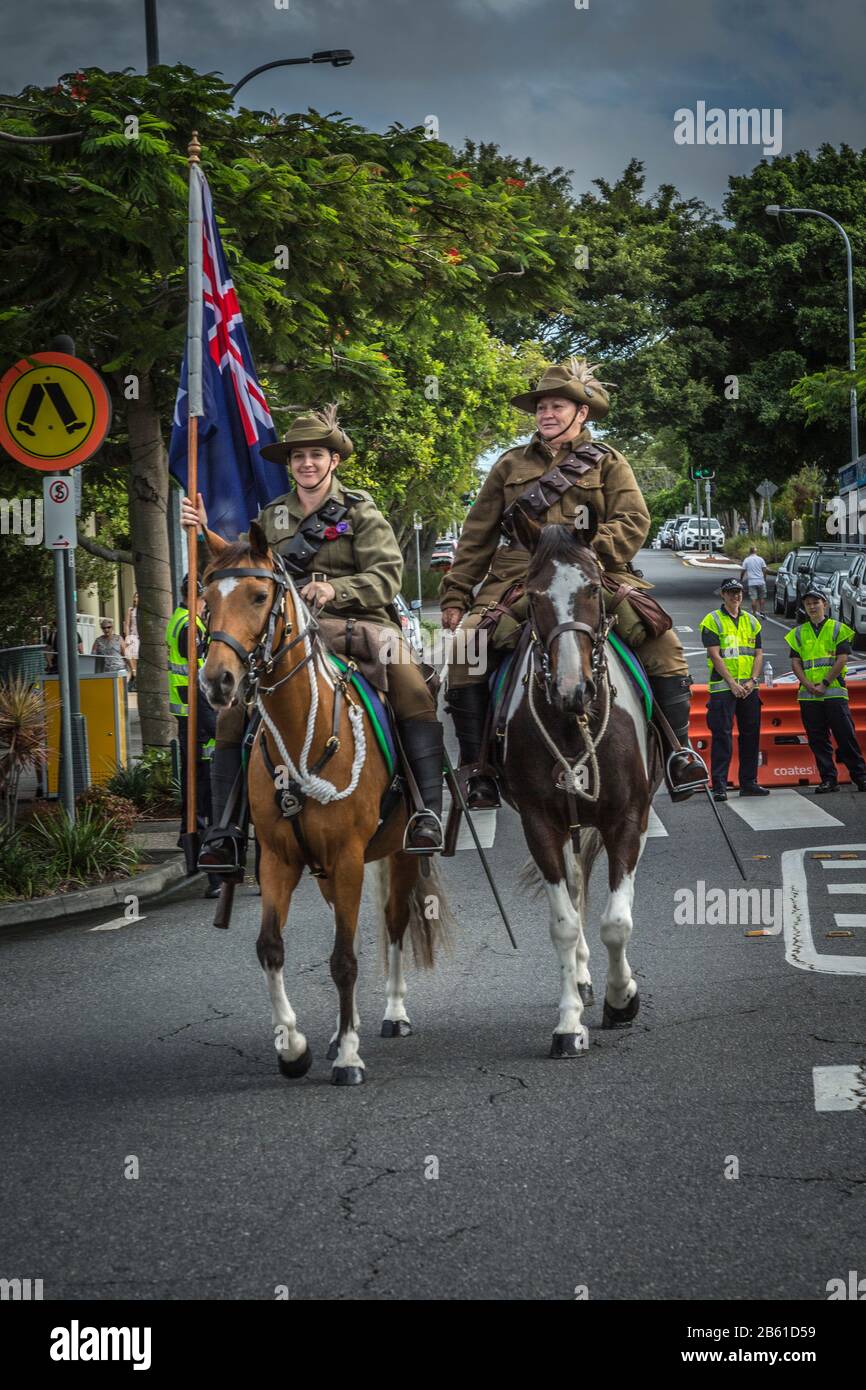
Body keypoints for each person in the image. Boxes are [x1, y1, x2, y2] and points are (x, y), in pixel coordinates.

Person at [439, 357, 708, 807]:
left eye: (557, 406)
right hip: (518, 579)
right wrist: (455, 595)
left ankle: (680, 753)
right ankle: (479, 767)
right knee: (469, 648)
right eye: (541, 406)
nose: (546, 414)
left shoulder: (608, 462)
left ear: (581, 413)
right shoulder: (508, 466)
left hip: (594, 572)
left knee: (664, 644)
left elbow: (633, 519)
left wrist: (586, 554)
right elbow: (476, 536)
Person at [181, 406, 445, 863]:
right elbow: (244, 570)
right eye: (299, 456)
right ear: (290, 464)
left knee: (410, 684)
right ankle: (225, 830)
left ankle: (426, 811)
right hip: (288, 635)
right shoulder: (271, 516)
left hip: (360, 624)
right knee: (231, 714)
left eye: (316, 455)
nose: (307, 463)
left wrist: (335, 586)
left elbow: (387, 577)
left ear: (334, 461)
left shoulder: (361, 512)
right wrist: (201, 530)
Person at [165, 574, 222, 898]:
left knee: (197, 797)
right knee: (203, 799)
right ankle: (208, 870)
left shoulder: (181, 620)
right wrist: (216, 724)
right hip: (197, 720)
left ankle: (195, 855)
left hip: (192, 718)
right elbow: (198, 677)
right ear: (196, 596)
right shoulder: (190, 626)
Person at [784, 586, 866, 794]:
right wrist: (807, 684)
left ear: (825, 604)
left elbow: (842, 659)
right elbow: (795, 662)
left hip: (833, 692)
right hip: (809, 695)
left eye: (816, 602)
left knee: (845, 737)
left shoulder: (838, 628)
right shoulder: (798, 633)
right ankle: (829, 779)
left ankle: (860, 777)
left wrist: (825, 683)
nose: (812, 607)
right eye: (808, 604)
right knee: (818, 740)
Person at [700, 578, 769, 801]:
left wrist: (752, 680)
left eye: (738, 592)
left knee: (750, 736)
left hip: (749, 688)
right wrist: (732, 683)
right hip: (723, 689)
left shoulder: (752, 621)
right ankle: (719, 785)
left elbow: (758, 654)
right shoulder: (712, 621)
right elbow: (714, 654)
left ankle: (749, 782)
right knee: (722, 737)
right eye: (730, 592)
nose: (735, 596)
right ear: (722, 594)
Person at [739, 545, 768, 616]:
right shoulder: (760, 559)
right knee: (762, 597)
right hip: (761, 581)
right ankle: (762, 611)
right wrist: (764, 578)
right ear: (756, 551)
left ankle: (754, 613)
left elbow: (743, 570)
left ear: (750, 552)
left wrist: (741, 578)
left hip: (752, 582)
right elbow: (764, 570)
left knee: (753, 598)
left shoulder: (747, 560)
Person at [123, 592, 140, 690]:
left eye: (137, 597)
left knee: (137, 659)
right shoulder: (131, 610)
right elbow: (127, 624)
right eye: (135, 597)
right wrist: (127, 636)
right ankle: (134, 673)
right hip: (133, 636)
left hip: (140, 637)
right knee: (130, 655)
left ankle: (135, 678)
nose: (135, 599)